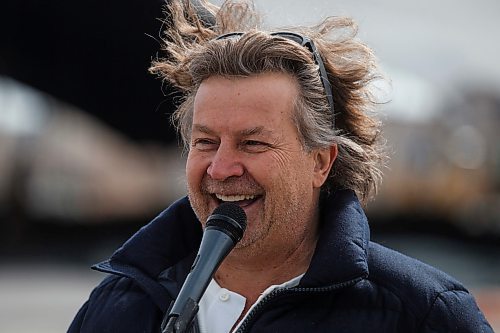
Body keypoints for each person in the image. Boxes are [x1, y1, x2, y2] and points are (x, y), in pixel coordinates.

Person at [68, 1, 493, 332]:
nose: (221, 168)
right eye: (206, 142)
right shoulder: (115, 307)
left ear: (321, 163)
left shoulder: (425, 315)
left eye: (252, 143)